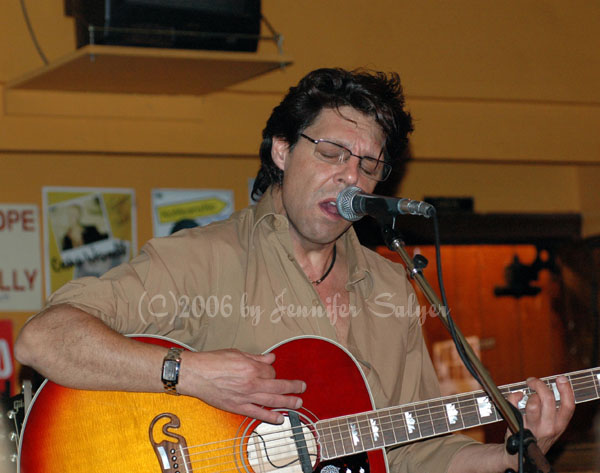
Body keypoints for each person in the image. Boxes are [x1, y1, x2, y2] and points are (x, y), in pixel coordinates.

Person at [15, 68, 574, 472]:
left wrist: (517, 451)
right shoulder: (201, 260)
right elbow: (44, 339)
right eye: (332, 153)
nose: (350, 177)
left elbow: (411, 452)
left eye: (368, 165)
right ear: (282, 151)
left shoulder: (392, 288)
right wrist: (189, 373)